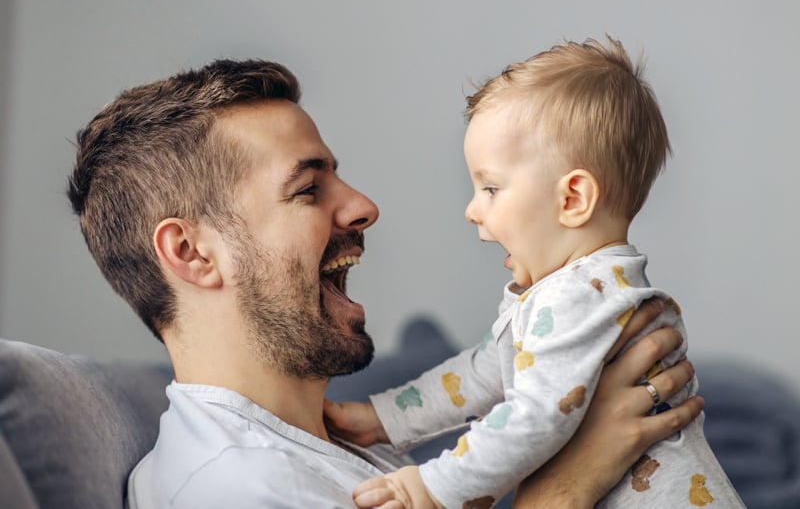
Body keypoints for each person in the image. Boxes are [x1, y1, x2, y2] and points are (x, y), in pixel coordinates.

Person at [66, 58, 702, 508]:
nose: (364, 205)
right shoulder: (236, 488)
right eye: (308, 188)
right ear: (192, 253)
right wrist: (564, 487)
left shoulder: (327, 449)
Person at [325, 37, 743, 508]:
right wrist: (381, 419)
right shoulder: (566, 293)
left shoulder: (581, 296)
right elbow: (482, 374)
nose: (471, 210)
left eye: (490, 188)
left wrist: (432, 487)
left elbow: (534, 418)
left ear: (572, 200)